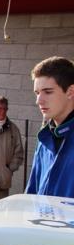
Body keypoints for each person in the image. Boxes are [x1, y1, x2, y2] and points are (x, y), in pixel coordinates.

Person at [26, 56, 74, 198]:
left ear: (70, 92)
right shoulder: (44, 137)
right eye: (37, 93)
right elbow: (32, 193)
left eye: (48, 92)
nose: (38, 100)